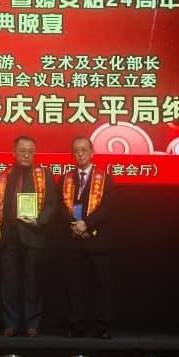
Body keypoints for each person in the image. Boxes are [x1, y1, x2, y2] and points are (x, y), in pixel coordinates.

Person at [0, 136, 58, 337]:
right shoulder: (4, 176)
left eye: (30, 151)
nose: (26, 154)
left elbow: (52, 204)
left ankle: (32, 324)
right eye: (22, 150)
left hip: (34, 234)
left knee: (33, 282)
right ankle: (10, 323)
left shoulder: (44, 175)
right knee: (9, 282)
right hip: (9, 235)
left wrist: (39, 220)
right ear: (13, 152)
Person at [61, 136, 115, 338]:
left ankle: (103, 326)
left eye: (84, 149)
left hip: (97, 239)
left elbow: (108, 207)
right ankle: (76, 325)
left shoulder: (105, 177)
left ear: (92, 152)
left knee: (102, 284)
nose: (80, 153)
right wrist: (74, 225)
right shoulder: (67, 178)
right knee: (73, 284)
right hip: (73, 237)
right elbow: (60, 206)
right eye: (76, 150)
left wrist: (87, 224)